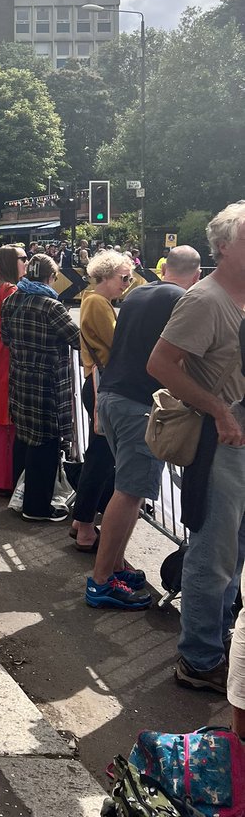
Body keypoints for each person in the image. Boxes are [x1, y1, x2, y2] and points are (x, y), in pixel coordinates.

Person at [148, 202, 245, 695]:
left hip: (237, 438)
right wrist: (220, 411)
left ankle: (217, 641)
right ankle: (199, 657)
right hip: (220, 438)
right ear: (224, 246)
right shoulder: (206, 299)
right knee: (215, 549)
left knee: (237, 546)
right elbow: (161, 364)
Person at [85, 246, 202, 610]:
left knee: (127, 486)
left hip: (113, 397)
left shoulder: (139, 292)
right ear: (196, 275)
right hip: (138, 404)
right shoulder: (183, 300)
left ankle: (115, 567)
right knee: (131, 491)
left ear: (165, 268)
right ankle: (101, 580)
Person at [0, 254, 80, 521]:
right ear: (51, 277)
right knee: (45, 442)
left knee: (24, 436)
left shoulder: (11, 300)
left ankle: (19, 494)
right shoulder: (51, 307)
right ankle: (36, 507)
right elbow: (78, 339)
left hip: (20, 377)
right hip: (47, 382)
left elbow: (7, 338)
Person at [71, 250, 134, 550]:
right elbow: (118, 344)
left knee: (99, 454)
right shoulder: (97, 302)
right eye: (124, 277)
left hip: (95, 382)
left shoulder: (93, 299)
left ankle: (81, 522)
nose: (128, 282)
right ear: (107, 276)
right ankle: (84, 526)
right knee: (100, 458)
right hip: (100, 383)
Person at [0, 246, 27, 494]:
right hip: (7, 351)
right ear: (13, 262)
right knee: (7, 417)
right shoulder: (10, 289)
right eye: (23, 258)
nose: (26, 262)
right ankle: (6, 479)